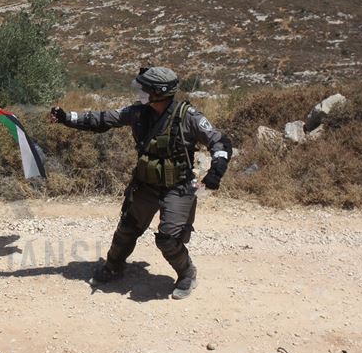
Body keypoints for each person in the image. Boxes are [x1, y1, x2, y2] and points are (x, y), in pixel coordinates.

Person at [50, 66, 232, 299]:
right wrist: (67, 117)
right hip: (146, 185)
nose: (141, 93)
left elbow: (220, 142)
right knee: (127, 228)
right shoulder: (138, 112)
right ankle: (114, 266)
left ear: (159, 92)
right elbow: (102, 118)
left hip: (177, 187)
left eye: (146, 89)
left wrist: (216, 171)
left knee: (168, 239)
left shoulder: (189, 117)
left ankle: (187, 273)